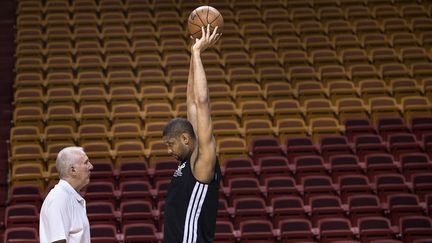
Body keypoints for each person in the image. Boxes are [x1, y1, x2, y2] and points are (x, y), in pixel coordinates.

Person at [163, 25, 222, 243]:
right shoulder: (189, 161)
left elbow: (202, 103)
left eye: (170, 144)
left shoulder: (202, 161)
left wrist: (198, 53)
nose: (169, 151)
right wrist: (192, 54)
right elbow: (191, 101)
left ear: (185, 139)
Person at [39, 146, 93, 243]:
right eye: (86, 163)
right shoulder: (58, 198)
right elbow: (57, 241)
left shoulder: (69, 196)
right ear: (73, 170)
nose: (91, 166)